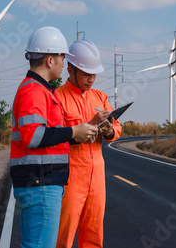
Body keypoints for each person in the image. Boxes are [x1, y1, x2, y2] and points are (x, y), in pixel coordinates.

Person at [10, 27, 98, 248]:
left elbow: (48, 137)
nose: (63, 64)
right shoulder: (34, 91)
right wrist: (72, 132)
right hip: (39, 183)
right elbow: (33, 136)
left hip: (42, 182)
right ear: (50, 60)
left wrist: (77, 135)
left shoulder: (42, 91)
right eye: (61, 58)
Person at [56, 40, 122, 248]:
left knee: (94, 232)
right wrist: (81, 131)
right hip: (70, 177)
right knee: (64, 234)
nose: (91, 79)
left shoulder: (101, 97)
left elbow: (117, 129)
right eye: (86, 74)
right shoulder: (57, 97)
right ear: (71, 70)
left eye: (94, 74)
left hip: (97, 177)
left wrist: (110, 130)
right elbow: (53, 137)